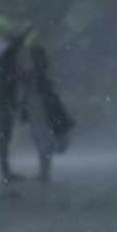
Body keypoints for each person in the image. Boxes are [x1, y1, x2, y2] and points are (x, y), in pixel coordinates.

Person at [23, 44, 74, 183]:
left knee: (43, 141)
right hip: (38, 109)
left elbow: (38, 92)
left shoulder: (37, 74)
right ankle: (44, 172)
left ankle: (44, 172)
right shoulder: (36, 73)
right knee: (42, 141)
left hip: (40, 110)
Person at [0, 27, 31, 186]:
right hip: (3, 102)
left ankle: (6, 172)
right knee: (4, 137)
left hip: (4, 102)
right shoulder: (5, 64)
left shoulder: (2, 63)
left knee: (4, 137)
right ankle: (5, 173)